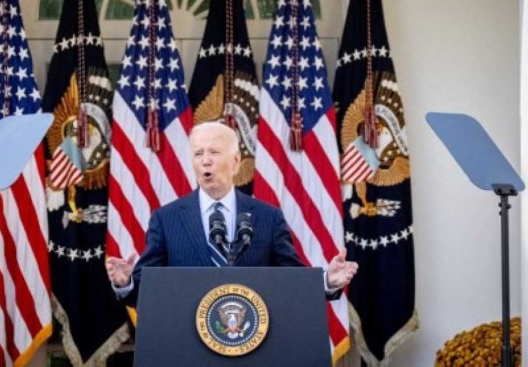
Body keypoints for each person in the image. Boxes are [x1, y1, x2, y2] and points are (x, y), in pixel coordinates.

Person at [106, 121, 358, 306]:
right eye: (198, 153)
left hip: (251, 344)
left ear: (236, 161)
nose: (205, 160)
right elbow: (147, 291)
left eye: (214, 152)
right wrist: (126, 282)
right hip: (188, 345)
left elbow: (290, 279)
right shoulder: (166, 218)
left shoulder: (267, 217)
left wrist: (327, 281)